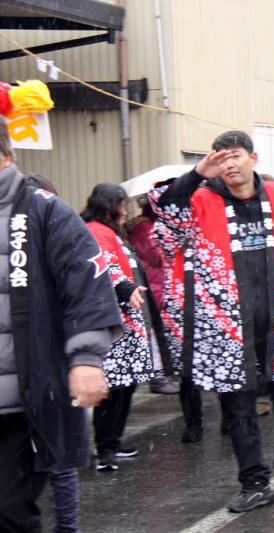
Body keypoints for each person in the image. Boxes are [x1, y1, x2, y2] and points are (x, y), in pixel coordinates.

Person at [150, 130, 274, 512]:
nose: (229, 164)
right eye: (220, 158)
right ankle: (254, 481)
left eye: (235, 155)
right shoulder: (201, 199)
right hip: (226, 325)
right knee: (238, 405)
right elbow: (164, 215)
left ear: (253, 158)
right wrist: (197, 174)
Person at [0, 118, 122, 531]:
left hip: (22, 397)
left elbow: (87, 286)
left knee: (9, 510)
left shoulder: (45, 210)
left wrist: (86, 359)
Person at [83, 184, 155, 471]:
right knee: (114, 386)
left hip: (126, 318)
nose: (126, 211)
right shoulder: (96, 231)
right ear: (108, 206)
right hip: (113, 321)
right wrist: (126, 289)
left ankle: (112, 441)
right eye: (122, 205)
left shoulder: (109, 231)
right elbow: (106, 268)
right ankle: (106, 447)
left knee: (125, 385)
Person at [128, 197, 180, 395]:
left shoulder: (141, 226)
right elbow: (156, 256)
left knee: (157, 330)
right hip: (154, 283)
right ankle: (158, 375)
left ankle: (161, 372)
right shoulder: (146, 228)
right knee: (155, 331)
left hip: (154, 282)